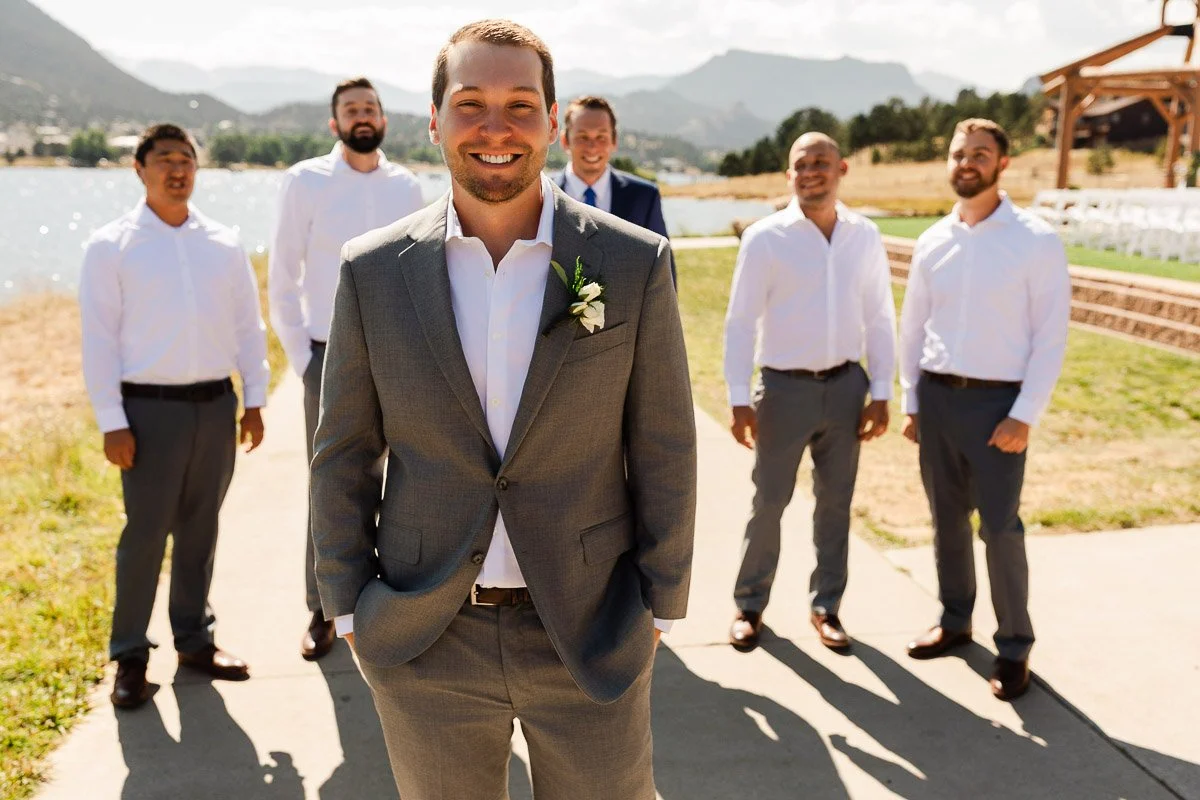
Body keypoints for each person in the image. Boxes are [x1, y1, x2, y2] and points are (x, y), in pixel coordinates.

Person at [310, 19, 696, 798]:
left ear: (553, 123)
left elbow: (664, 445)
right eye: (471, 103)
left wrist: (662, 603)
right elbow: (345, 452)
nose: (496, 128)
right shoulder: (372, 272)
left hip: (590, 629)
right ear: (436, 124)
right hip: (425, 639)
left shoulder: (632, 262)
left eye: (521, 105)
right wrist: (347, 607)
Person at [79, 123, 270, 709]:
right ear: (139, 169)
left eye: (186, 158)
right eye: (163, 159)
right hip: (146, 412)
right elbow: (99, 341)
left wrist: (255, 398)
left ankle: (194, 641)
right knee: (144, 537)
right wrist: (112, 419)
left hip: (215, 407)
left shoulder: (222, 242)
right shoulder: (110, 245)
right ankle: (130, 656)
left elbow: (247, 325)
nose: (177, 169)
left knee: (201, 532)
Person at [898, 118, 1070, 701]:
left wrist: (1025, 413)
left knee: (999, 528)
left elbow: (1050, 337)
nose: (967, 162)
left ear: (1003, 163)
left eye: (980, 154)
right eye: (958, 153)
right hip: (939, 400)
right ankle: (954, 621)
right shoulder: (932, 241)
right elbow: (913, 326)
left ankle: (1014, 645)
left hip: (1000, 405)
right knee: (945, 521)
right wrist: (912, 400)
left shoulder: (1036, 241)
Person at [267, 76, 425, 661]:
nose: (362, 116)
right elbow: (283, 277)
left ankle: (391, 599)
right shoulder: (304, 181)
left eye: (371, 107)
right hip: (326, 355)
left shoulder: (407, 186)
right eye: (351, 109)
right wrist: (303, 360)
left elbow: (418, 271)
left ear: (383, 118)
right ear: (335, 123)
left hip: (396, 357)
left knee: (405, 478)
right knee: (333, 484)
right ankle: (322, 607)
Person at [724, 132, 896, 653]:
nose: (811, 171)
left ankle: (827, 607)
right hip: (782, 390)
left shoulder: (864, 236)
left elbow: (880, 315)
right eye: (802, 163)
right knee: (769, 501)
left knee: (836, 504)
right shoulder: (765, 237)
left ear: (842, 168)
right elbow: (739, 322)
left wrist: (882, 390)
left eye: (821, 162)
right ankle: (749, 606)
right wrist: (737, 398)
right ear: (788, 173)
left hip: (846, 388)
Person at [555, 95, 669, 239]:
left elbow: (663, 261)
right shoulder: (539, 195)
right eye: (582, 137)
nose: (592, 147)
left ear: (614, 140)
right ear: (565, 141)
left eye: (601, 137)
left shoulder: (644, 198)